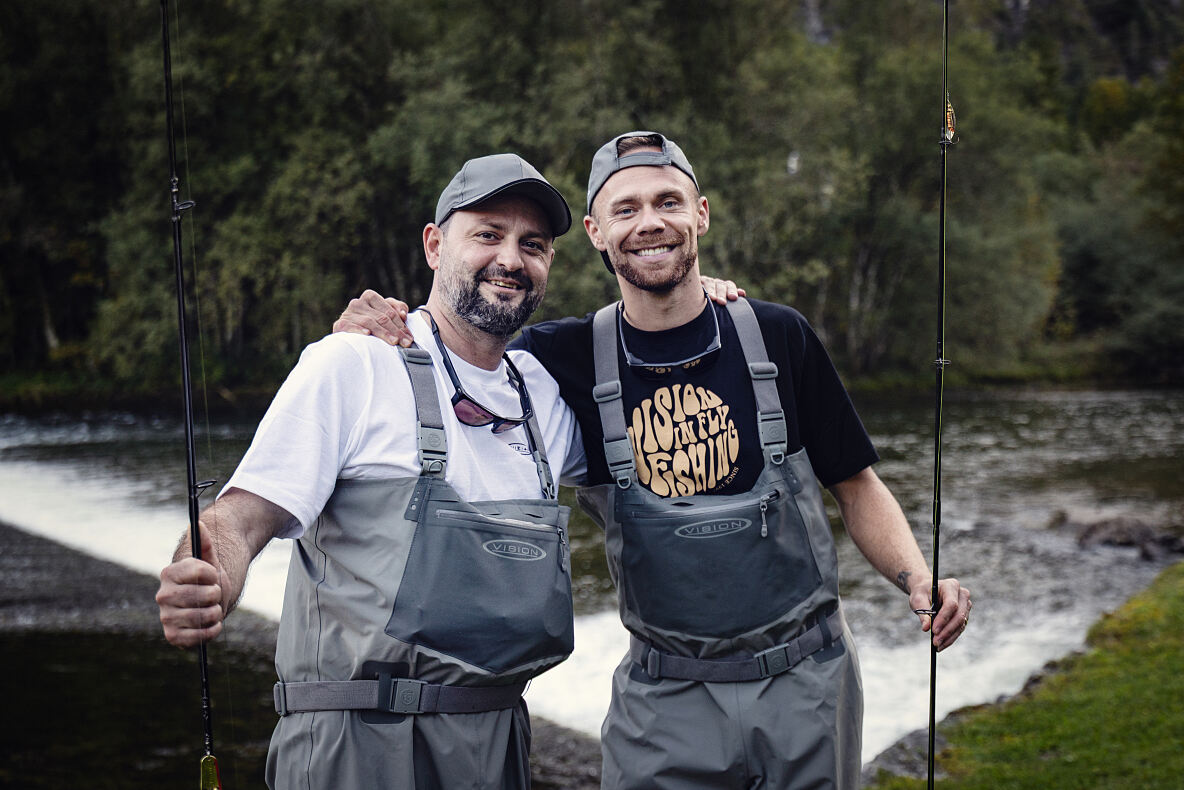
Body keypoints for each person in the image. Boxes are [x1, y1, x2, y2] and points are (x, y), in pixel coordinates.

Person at [334, 131, 973, 790]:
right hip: (662, 702)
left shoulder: (778, 334)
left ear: (700, 212)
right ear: (595, 232)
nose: (650, 222)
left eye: (668, 201)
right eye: (626, 209)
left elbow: (856, 483)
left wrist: (916, 579)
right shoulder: (558, 359)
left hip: (808, 688)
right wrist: (383, 322)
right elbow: (460, 350)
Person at [155, 153, 590, 790]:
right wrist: (206, 573)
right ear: (435, 246)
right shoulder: (350, 363)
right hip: (354, 747)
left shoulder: (548, 397)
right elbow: (239, 519)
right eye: (488, 235)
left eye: (533, 244)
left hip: (499, 746)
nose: (511, 259)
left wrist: (707, 297)